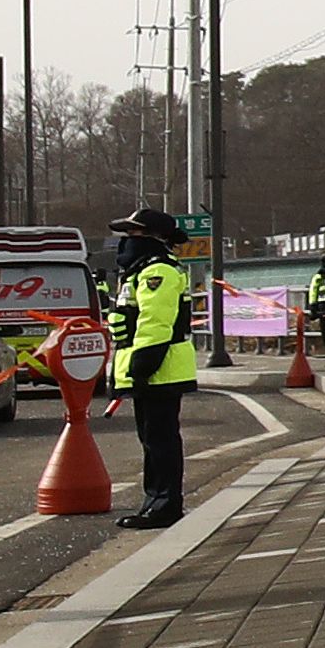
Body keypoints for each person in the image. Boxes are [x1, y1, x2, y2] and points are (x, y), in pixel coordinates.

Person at [103, 207, 202, 528]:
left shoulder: (159, 271)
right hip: (152, 367)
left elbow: (154, 323)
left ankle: (164, 504)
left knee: (160, 440)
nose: (128, 241)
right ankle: (154, 501)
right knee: (151, 438)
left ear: (155, 237)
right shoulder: (140, 270)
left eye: (135, 234)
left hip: (161, 368)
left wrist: (141, 366)